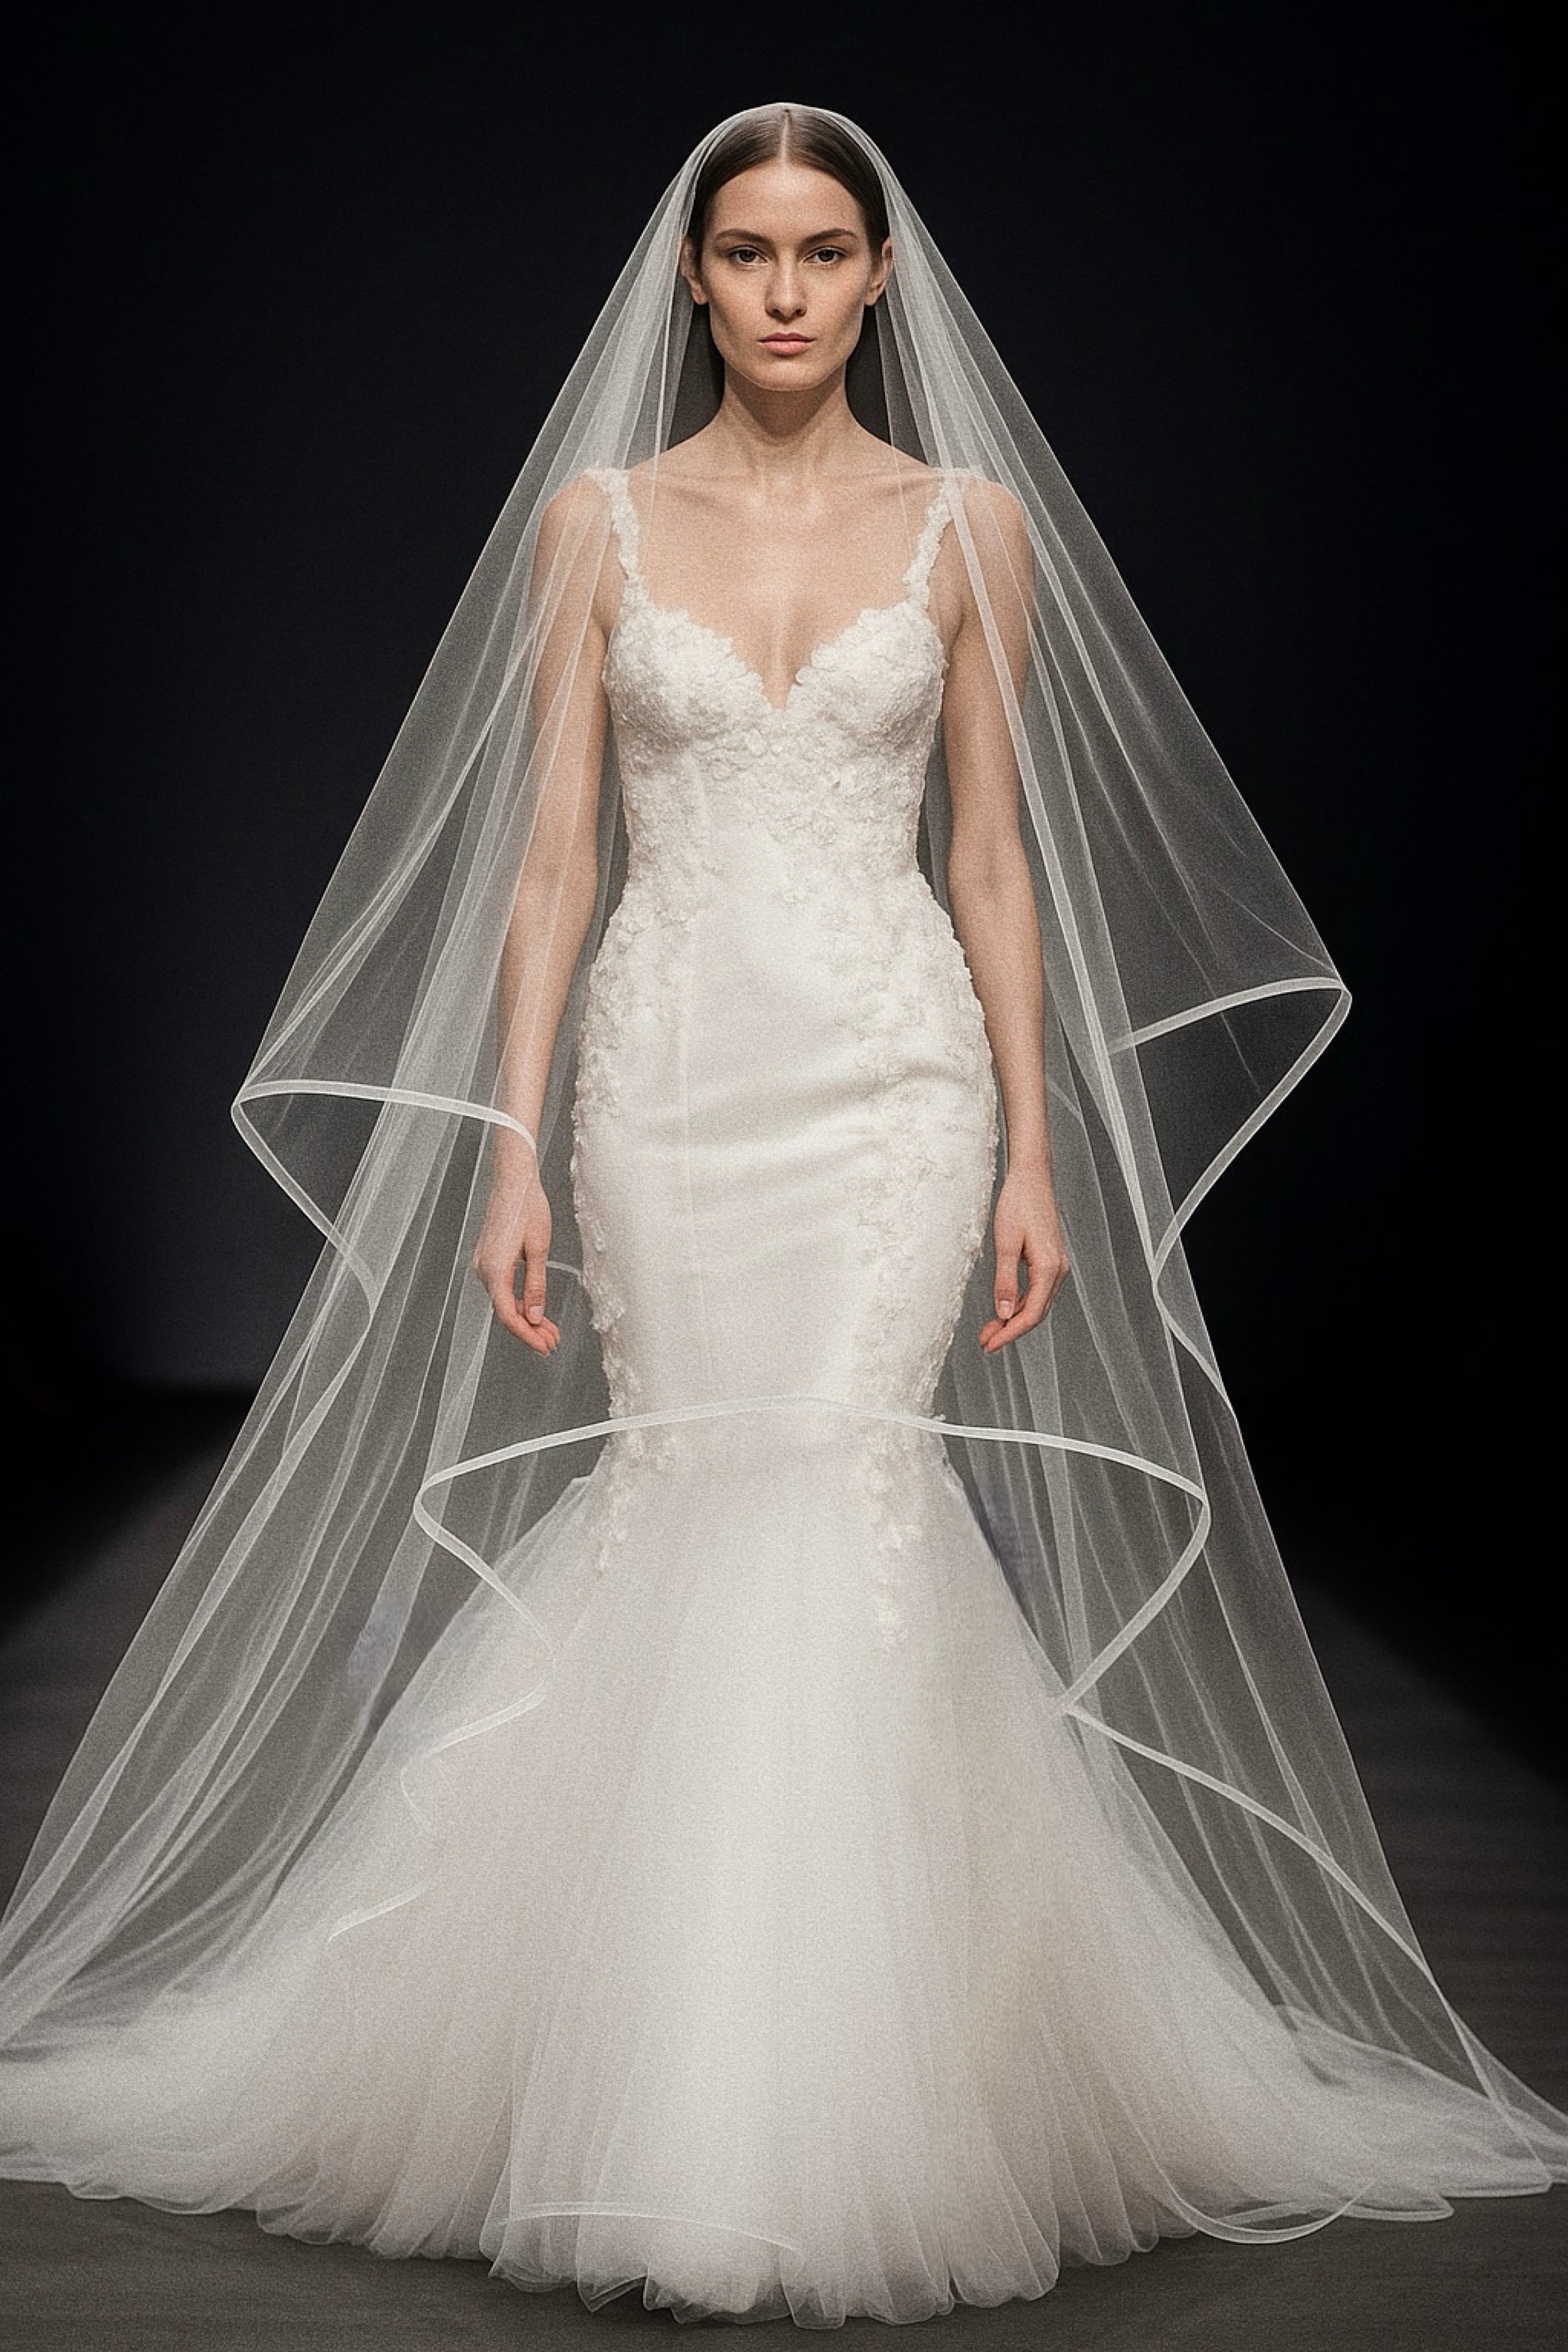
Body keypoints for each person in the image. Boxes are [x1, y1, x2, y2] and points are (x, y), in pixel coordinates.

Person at [1, 102, 1563, 2330]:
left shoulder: (972, 531)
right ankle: (649, 2073)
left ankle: (843, 2099)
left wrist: (1036, 1144)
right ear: (694, 281)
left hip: (893, 1078)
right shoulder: (594, 525)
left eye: (829, 250)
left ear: (886, 276)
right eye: (749, 252)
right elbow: (552, 860)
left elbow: (997, 863)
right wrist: (512, 1137)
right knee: (686, 1482)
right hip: (664, 1074)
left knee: (852, 1487)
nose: (791, 291)